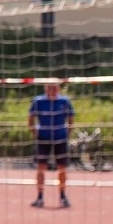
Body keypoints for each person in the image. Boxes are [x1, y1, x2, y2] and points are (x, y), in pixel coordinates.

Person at [28, 80, 75, 209]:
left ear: (58, 89)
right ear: (46, 89)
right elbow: (31, 119)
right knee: (41, 167)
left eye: (54, 88)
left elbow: (71, 119)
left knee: (62, 167)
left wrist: (67, 133)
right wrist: (35, 133)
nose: (52, 91)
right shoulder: (38, 101)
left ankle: (63, 196)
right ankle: (40, 197)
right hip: (43, 138)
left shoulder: (64, 101)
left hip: (60, 138)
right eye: (50, 88)